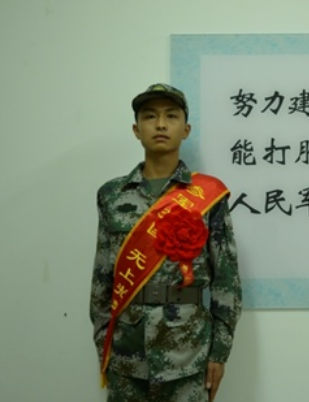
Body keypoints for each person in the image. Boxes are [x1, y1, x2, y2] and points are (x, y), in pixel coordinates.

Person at [89, 83, 242, 402]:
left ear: (185, 129)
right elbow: (103, 277)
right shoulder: (112, 195)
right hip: (127, 354)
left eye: (171, 116)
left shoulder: (208, 195)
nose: (160, 124)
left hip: (189, 353)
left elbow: (226, 279)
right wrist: (105, 343)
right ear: (136, 129)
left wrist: (219, 352)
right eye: (150, 116)